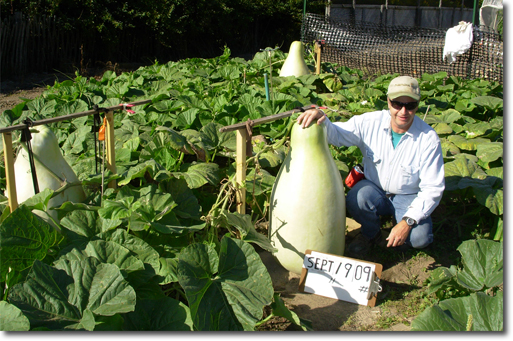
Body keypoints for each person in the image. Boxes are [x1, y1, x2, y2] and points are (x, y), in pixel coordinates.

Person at [296, 76, 445, 258]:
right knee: (356, 197)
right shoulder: (369, 122)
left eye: (410, 105)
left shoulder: (428, 138)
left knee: (419, 239)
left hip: (408, 196)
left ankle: (401, 226)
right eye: (397, 104)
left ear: (418, 105)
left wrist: (407, 222)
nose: (403, 111)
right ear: (388, 102)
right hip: (375, 190)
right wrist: (322, 120)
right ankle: (371, 234)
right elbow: (337, 135)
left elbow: (433, 189)